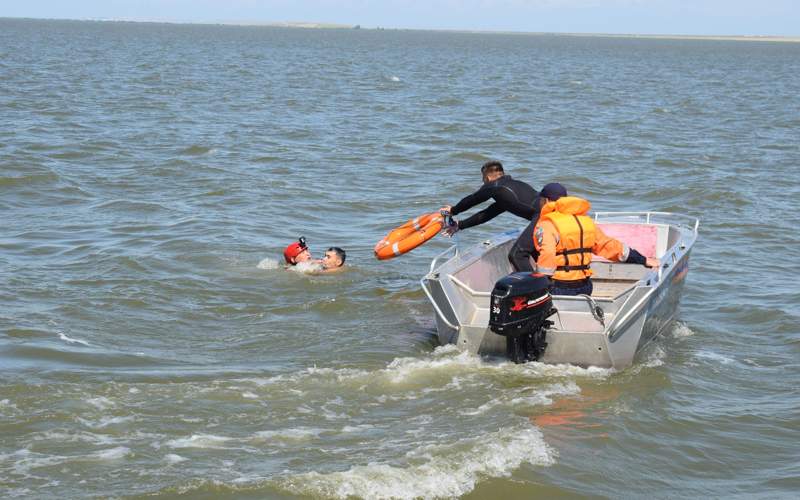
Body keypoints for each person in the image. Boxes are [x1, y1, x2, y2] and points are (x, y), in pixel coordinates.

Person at [532, 190, 659, 296]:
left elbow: (547, 254)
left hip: (559, 286)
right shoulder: (587, 223)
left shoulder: (548, 225)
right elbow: (609, 246)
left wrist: (539, 285)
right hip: (584, 286)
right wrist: (643, 259)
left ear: (546, 202)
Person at [440, 160, 540, 271]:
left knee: (517, 255)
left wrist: (453, 210)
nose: (483, 183)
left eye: (483, 179)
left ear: (487, 178)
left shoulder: (495, 186)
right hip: (551, 215)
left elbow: (473, 199)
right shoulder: (510, 189)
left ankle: (534, 287)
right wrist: (460, 225)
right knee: (535, 250)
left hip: (542, 217)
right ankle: (546, 280)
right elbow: (487, 214)